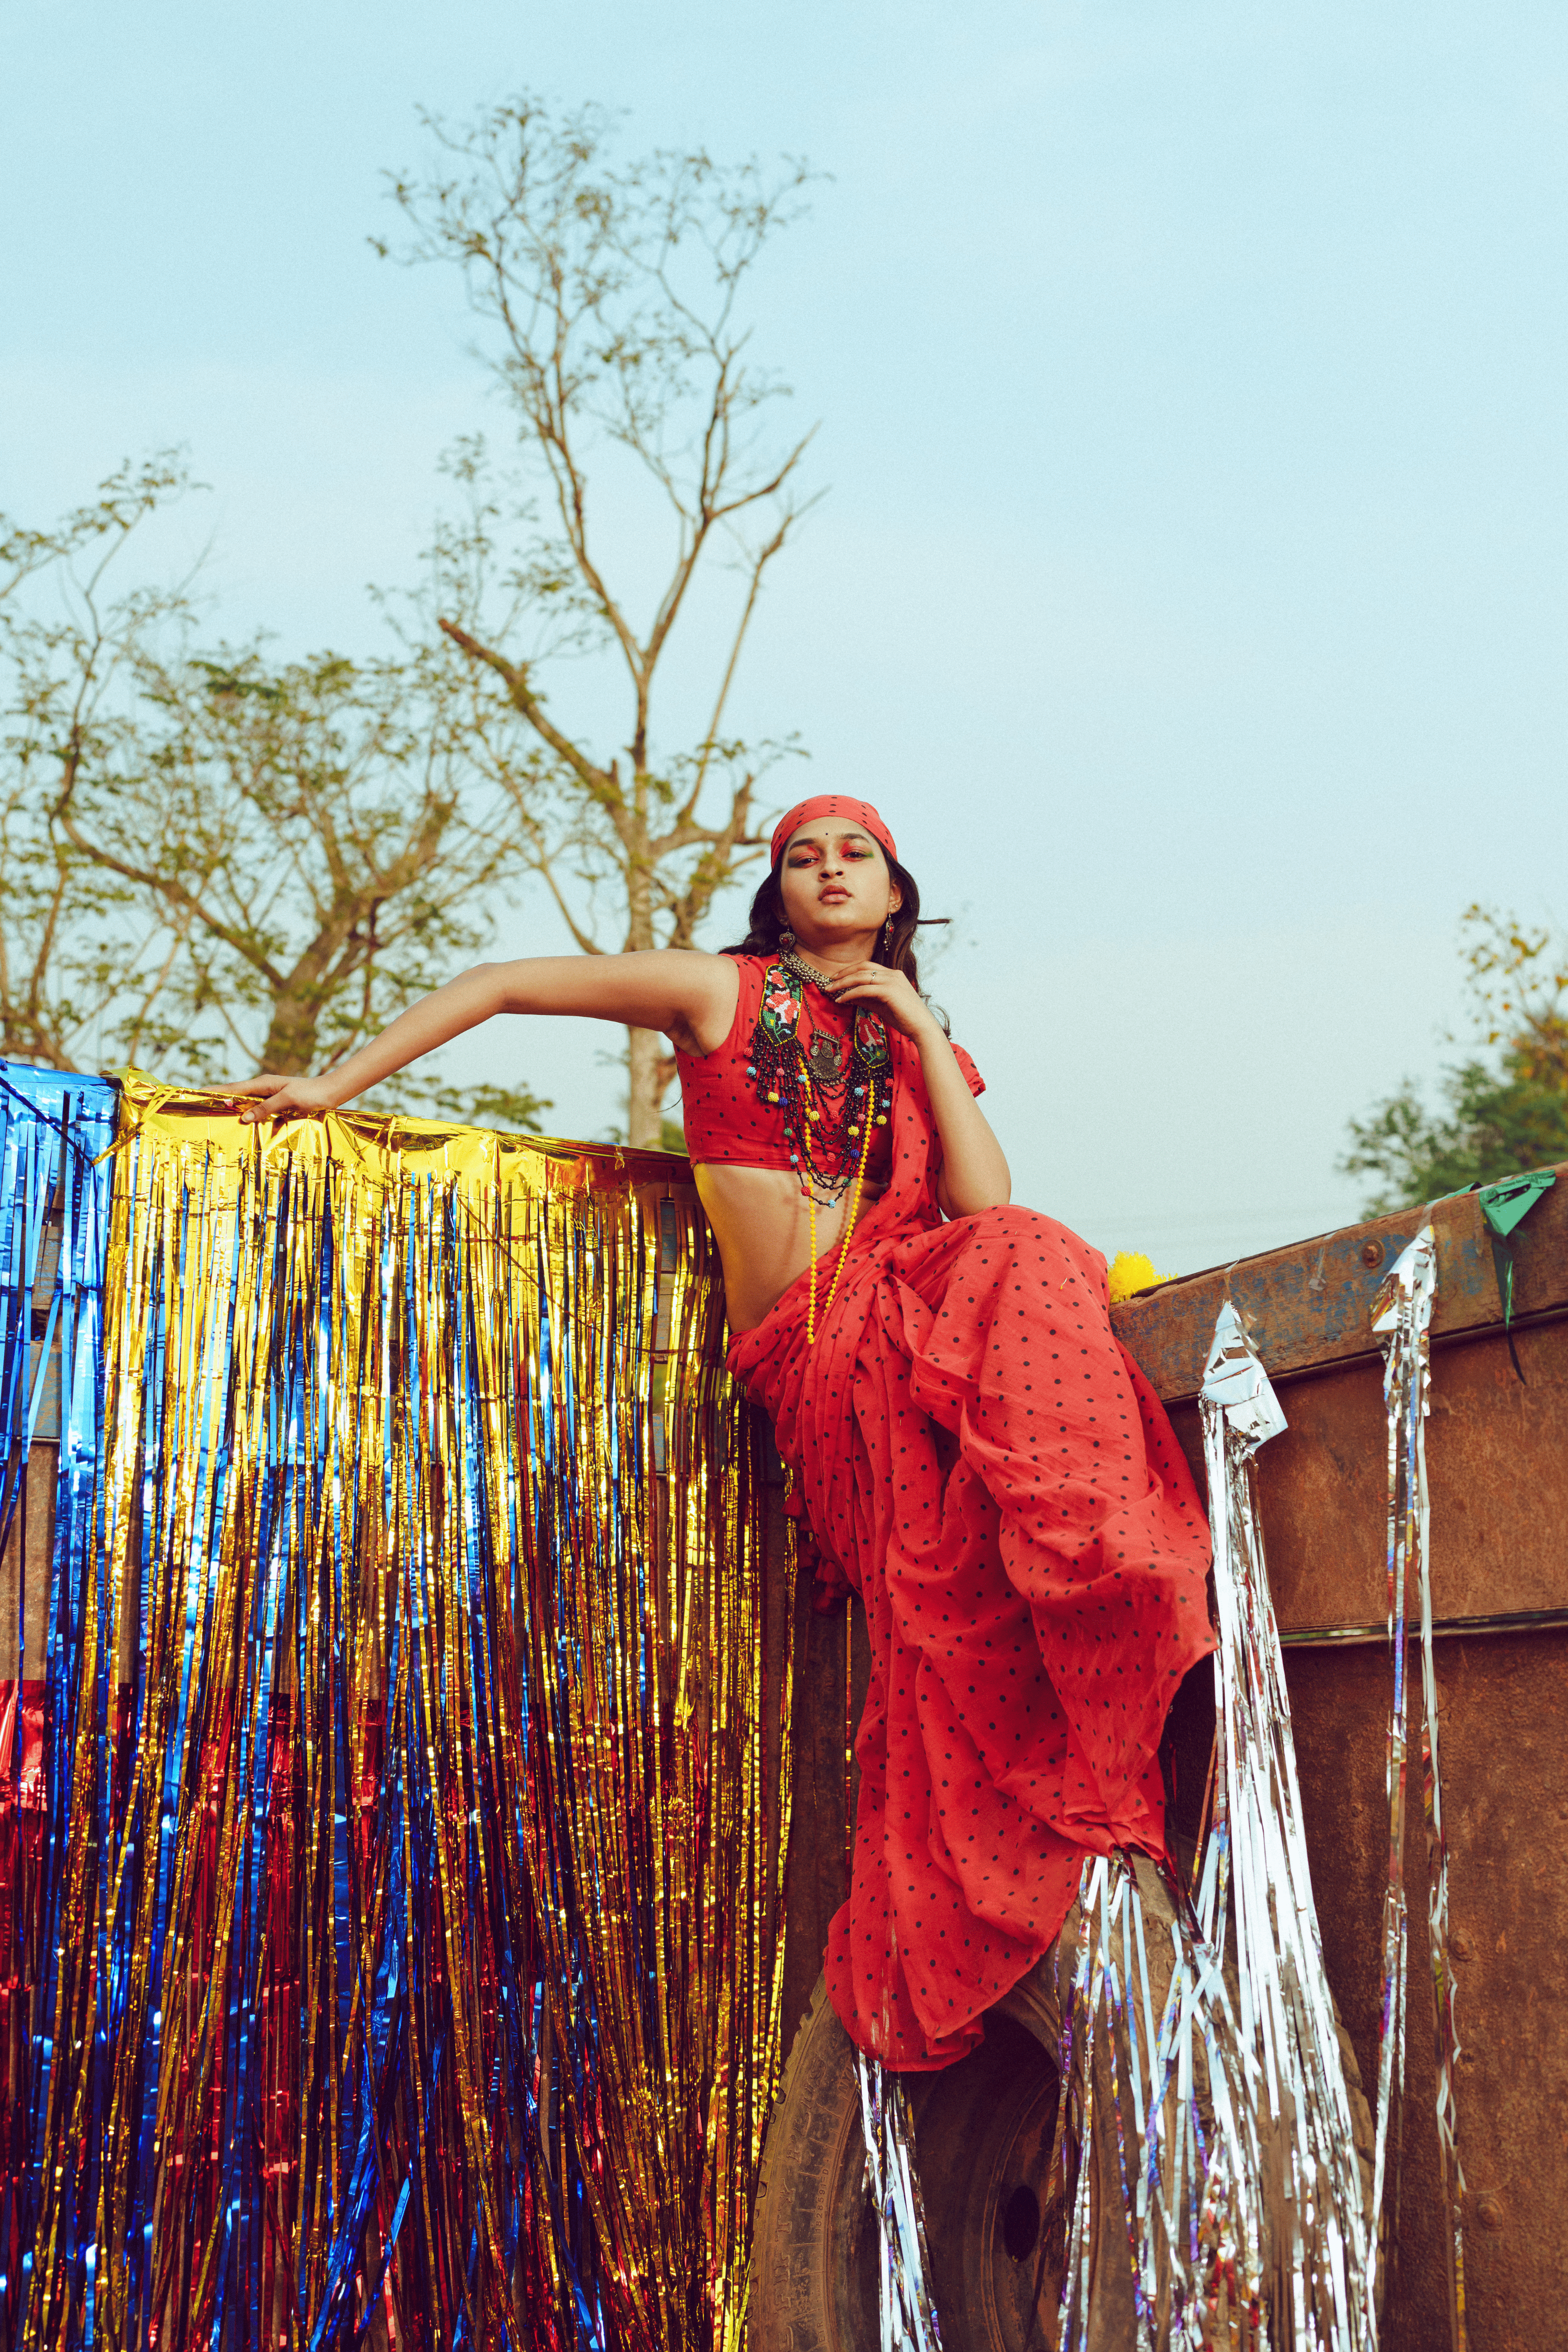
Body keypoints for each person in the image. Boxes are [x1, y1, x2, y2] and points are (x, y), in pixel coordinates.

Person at [224, 794, 1213, 2070]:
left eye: (855, 852)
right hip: (813, 1347)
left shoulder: (914, 1036)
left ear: (897, 892)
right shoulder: (720, 993)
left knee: (1027, 1254)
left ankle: (1107, 1564)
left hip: (909, 1314)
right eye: (803, 858)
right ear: (780, 896)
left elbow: (983, 1199)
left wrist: (916, 1027)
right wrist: (327, 1086)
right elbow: (504, 983)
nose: (829, 868)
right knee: (940, 1584)